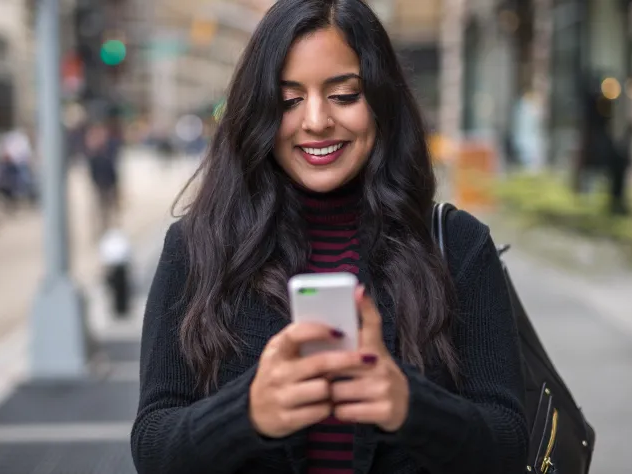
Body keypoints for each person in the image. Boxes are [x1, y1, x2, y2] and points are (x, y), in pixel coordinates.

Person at [131, 1, 528, 473]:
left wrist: (410, 406)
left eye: (343, 95)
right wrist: (247, 413)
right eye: (289, 100)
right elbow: (153, 446)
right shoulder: (197, 248)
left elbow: (508, 444)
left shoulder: (456, 245)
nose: (316, 120)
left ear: (381, 101)